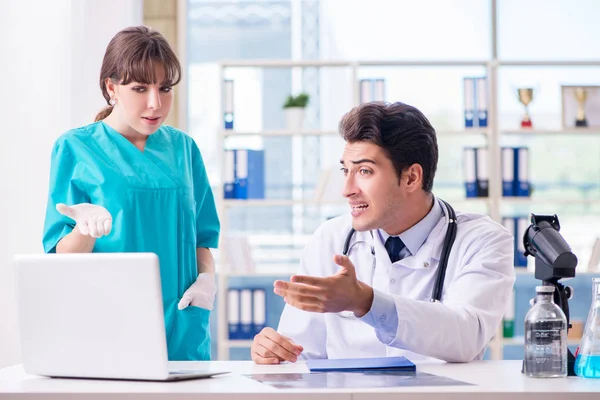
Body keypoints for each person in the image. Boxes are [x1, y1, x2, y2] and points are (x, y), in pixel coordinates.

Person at [251, 102, 515, 364]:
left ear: (411, 178)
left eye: (364, 171)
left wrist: (365, 301)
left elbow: (466, 337)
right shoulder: (329, 238)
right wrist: (274, 352)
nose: (347, 189)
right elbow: (301, 352)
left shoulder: (483, 240)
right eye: (346, 170)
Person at [42, 26, 219, 361]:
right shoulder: (75, 148)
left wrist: (207, 280)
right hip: (109, 326)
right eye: (140, 88)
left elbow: (203, 238)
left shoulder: (184, 149)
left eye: (164, 88)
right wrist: (83, 229)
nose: (155, 103)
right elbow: (60, 258)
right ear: (112, 87)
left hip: (183, 327)